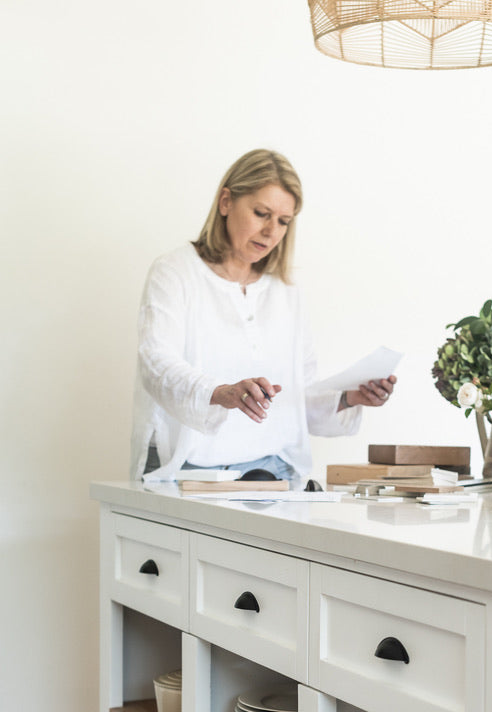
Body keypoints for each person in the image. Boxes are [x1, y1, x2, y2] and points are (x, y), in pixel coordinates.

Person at [130, 149, 396, 485]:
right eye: (261, 213)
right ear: (226, 202)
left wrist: (349, 398)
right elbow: (157, 364)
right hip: (187, 470)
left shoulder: (285, 292)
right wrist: (221, 392)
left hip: (272, 474)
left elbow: (295, 399)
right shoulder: (175, 272)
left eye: (284, 221)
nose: (271, 231)